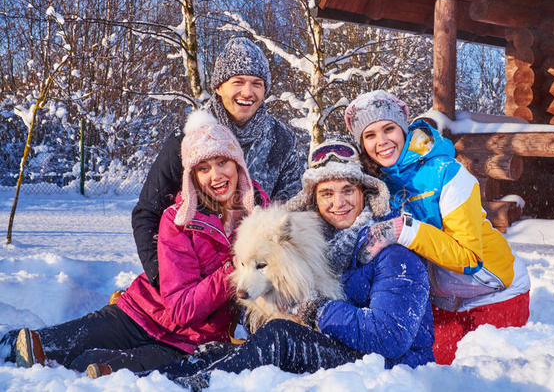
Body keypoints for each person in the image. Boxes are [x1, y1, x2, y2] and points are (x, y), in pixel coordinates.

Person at [0, 111, 270, 375]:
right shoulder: (178, 220)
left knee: (105, 367)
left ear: (238, 163)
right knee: (38, 344)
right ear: (192, 176)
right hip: (141, 314)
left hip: (189, 341)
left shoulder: (261, 215)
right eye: (204, 168)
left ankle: (87, 366)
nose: (216, 176)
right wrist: (233, 271)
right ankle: (7, 346)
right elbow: (181, 309)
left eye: (223, 162)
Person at [158, 139, 435, 390]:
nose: (338, 203)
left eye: (347, 190)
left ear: (365, 192)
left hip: (388, 371)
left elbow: (390, 337)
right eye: (326, 193)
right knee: (214, 351)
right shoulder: (317, 243)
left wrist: (313, 309)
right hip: (346, 353)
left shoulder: (394, 252)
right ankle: (156, 380)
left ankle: (193, 387)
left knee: (281, 337)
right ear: (313, 199)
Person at [343, 90, 531, 365]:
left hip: (494, 289)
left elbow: (470, 258)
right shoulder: (377, 182)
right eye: (369, 135)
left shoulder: (448, 173)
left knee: (485, 376)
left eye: (388, 129)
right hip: (443, 300)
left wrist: (405, 231)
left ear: (404, 129)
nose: (381, 141)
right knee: (430, 372)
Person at [132, 37, 304, 289]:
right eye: (238, 82)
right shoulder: (188, 140)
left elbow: (290, 212)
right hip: (191, 279)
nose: (248, 92)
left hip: (255, 281)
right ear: (219, 87)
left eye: (257, 84)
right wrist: (164, 279)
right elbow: (147, 213)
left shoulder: (282, 140)